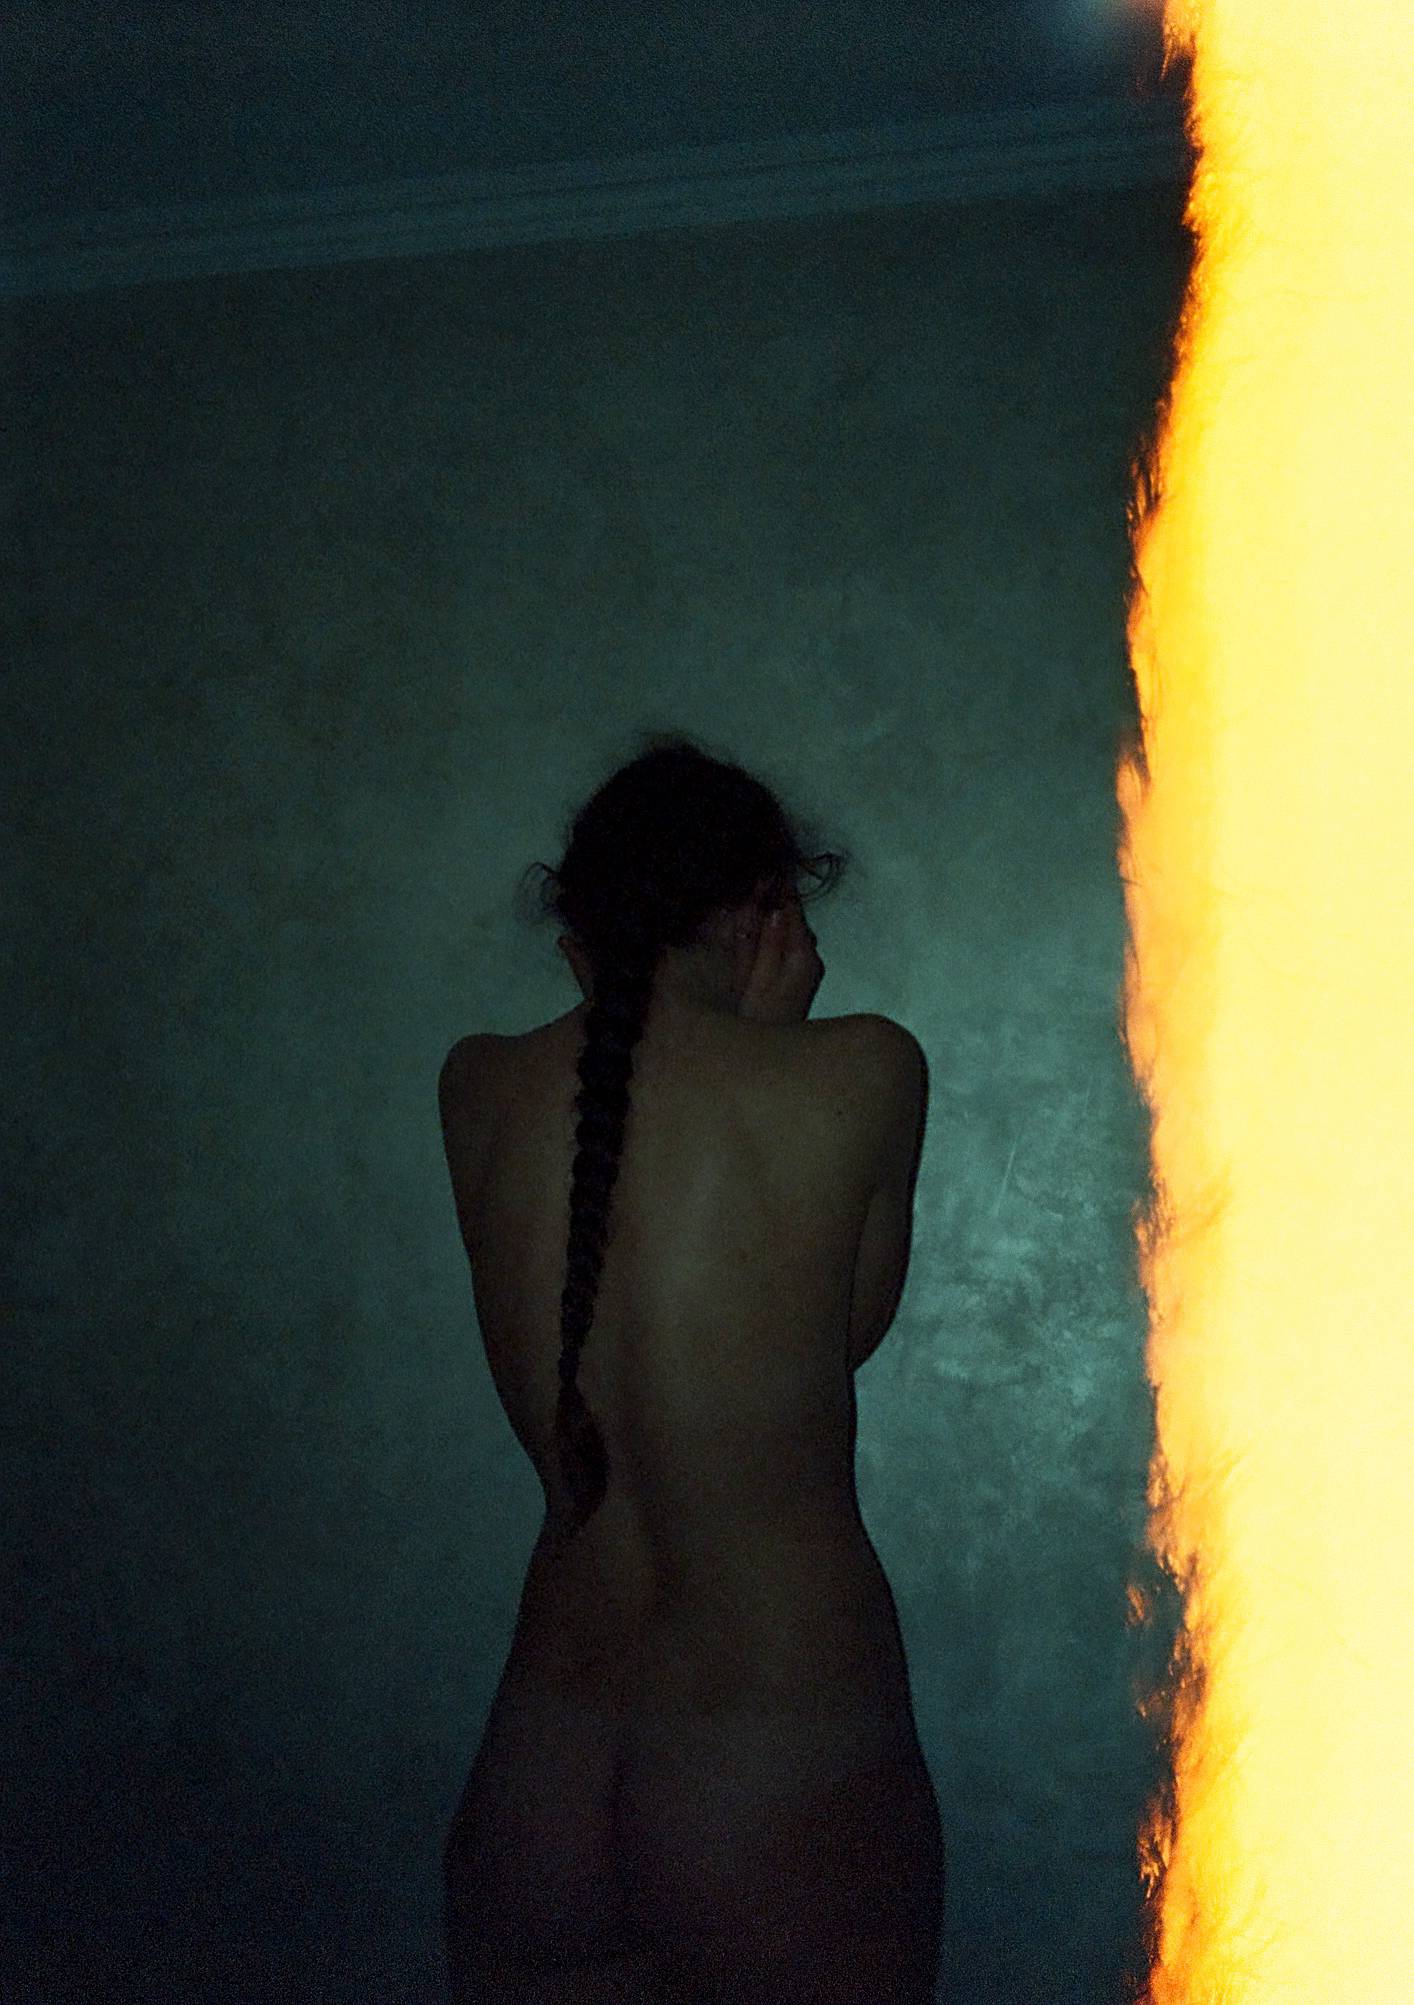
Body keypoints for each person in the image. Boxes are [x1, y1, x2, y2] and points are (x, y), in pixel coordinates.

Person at [436, 733, 943, 2002]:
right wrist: (773, 1038)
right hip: (775, 1743)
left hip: (544, 1758)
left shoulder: (477, 1084)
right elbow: (835, 1335)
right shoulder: (864, 1070)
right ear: (766, 907)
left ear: (582, 923)